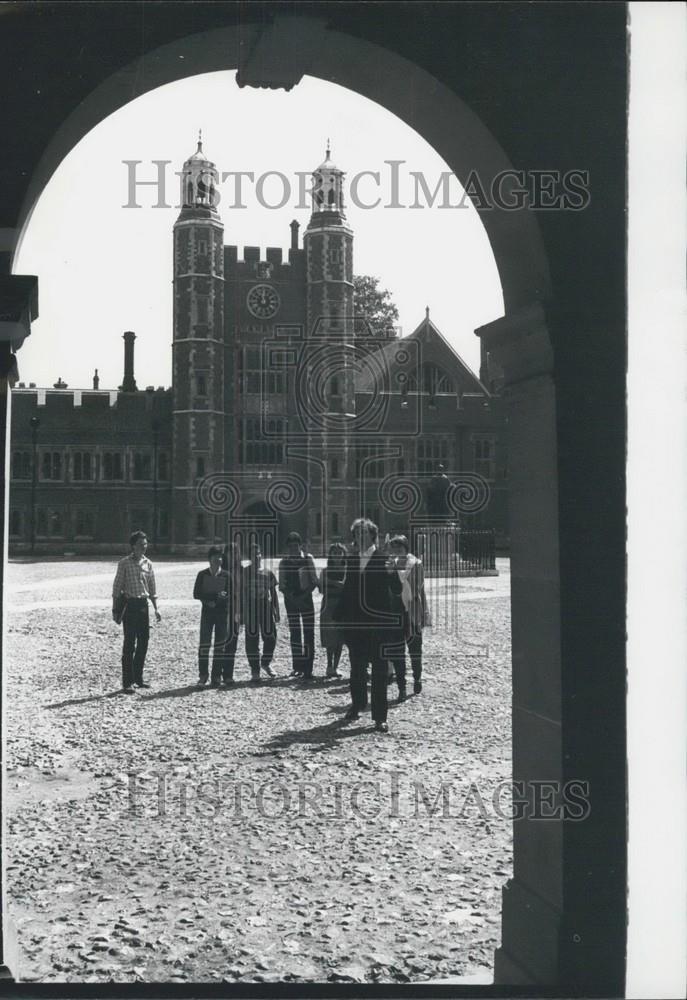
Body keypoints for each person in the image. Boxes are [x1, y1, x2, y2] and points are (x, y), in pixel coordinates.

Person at [334, 518, 402, 733]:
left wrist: (393, 574)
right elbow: (347, 591)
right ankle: (357, 705)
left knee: (380, 672)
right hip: (356, 625)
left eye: (364, 533)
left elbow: (398, 591)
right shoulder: (352, 560)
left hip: (379, 625)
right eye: (357, 534)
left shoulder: (384, 559)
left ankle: (380, 716)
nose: (360, 537)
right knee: (357, 669)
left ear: (373, 535)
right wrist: (339, 617)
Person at [111, 530, 162, 693]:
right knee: (129, 644)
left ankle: (138, 678)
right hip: (130, 605)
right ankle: (127, 681)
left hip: (143, 606)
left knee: (143, 642)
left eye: (145, 544)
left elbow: (152, 588)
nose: (144, 547)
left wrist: (156, 608)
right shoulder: (124, 563)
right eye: (141, 544)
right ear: (133, 546)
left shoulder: (149, 564)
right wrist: (115, 608)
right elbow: (117, 587)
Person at [386, 535, 427, 699]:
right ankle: (402, 687)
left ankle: (417, 677)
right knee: (397, 652)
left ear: (406, 549)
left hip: (412, 611)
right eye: (394, 549)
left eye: (400, 549)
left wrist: (396, 574)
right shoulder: (391, 565)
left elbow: (418, 586)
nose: (397, 553)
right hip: (395, 612)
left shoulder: (416, 564)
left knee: (415, 650)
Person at [278, 531, 318, 683]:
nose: (294, 549)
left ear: (300, 546)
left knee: (309, 634)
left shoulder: (308, 559)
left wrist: (303, 597)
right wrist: (293, 598)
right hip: (291, 600)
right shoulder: (284, 562)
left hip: (306, 599)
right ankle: (297, 666)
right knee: (295, 633)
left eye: (296, 546)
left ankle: (308, 668)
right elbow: (282, 585)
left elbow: (314, 580)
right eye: (291, 546)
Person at [193, 546, 232, 688]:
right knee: (204, 644)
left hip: (222, 613)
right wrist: (213, 597)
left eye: (220, 558)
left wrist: (224, 597)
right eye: (216, 558)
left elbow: (232, 594)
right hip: (207, 613)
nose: (219, 560)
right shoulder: (202, 574)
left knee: (220, 646)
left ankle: (216, 676)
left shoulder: (227, 575)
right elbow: (196, 593)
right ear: (209, 560)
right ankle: (203, 675)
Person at [242, 543, 279, 683]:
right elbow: (241, 593)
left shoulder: (268, 572)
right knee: (252, 638)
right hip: (251, 607)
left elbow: (273, 592)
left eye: (258, 553)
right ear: (249, 557)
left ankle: (265, 662)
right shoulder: (245, 572)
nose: (256, 556)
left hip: (265, 607)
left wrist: (276, 610)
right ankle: (255, 669)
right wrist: (242, 611)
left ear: (261, 555)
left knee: (271, 637)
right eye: (253, 554)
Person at [318, 542, 347, 679]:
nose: (337, 555)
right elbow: (321, 588)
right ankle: (329, 665)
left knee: (340, 637)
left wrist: (331, 583)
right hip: (328, 604)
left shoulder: (347, 570)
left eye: (339, 553)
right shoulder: (325, 570)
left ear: (343, 555)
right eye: (334, 553)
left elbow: (347, 588)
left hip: (342, 605)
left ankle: (335, 667)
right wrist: (336, 584)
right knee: (330, 637)